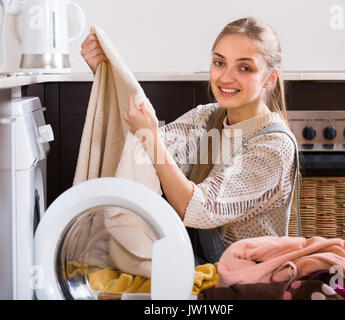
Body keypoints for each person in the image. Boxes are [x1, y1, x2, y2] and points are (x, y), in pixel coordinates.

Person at [81, 17, 298, 265]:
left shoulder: (273, 147)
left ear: (270, 79)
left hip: (251, 279)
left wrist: (151, 137)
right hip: (208, 267)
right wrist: (107, 76)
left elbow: (200, 209)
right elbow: (138, 150)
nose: (226, 78)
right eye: (219, 62)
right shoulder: (206, 118)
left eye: (245, 68)